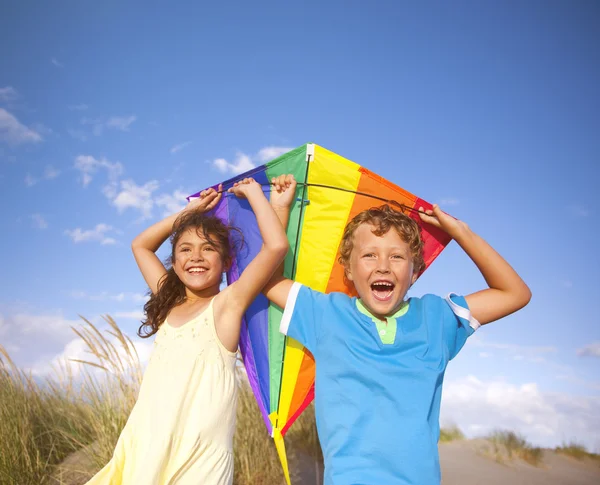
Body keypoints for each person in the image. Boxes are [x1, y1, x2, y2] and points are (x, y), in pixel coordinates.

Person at [264, 174, 532, 485]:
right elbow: (268, 279)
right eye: (369, 255)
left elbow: (514, 294)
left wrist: (460, 232)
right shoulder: (327, 314)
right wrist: (279, 209)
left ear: (415, 271)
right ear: (348, 269)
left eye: (396, 256)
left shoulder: (437, 318)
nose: (383, 266)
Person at [85, 178, 289, 485]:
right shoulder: (169, 303)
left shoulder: (227, 305)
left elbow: (276, 247)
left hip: (199, 457)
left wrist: (256, 195)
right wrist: (189, 213)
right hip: (146, 442)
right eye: (185, 249)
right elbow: (140, 245)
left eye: (208, 249)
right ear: (175, 263)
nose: (195, 256)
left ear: (225, 262)